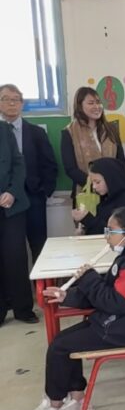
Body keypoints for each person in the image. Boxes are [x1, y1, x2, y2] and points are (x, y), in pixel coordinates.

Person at [19, 206, 125, 410]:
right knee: (62, 342)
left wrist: (89, 279)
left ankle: (54, 403)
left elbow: (115, 302)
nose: (107, 236)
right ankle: (76, 400)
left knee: (60, 347)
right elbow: (107, 292)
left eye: (111, 231)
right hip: (121, 322)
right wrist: (67, 296)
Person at [0, 84, 58, 262]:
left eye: (15, 99)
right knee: (11, 250)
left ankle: (40, 281)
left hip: (33, 197)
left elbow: (49, 165)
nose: (11, 103)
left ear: (22, 104)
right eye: (6, 99)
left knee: (39, 246)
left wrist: (44, 192)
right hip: (5, 200)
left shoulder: (36, 132)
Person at [61, 87, 125, 205]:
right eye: (91, 103)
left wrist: (109, 183)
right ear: (79, 106)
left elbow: (120, 162)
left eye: (98, 102)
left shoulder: (111, 129)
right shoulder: (69, 132)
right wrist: (96, 185)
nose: (97, 106)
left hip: (113, 192)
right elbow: (71, 169)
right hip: (85, 194)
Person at [0, 121, 36, 325]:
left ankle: (23, 309)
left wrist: (12, 192)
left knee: (16, 256)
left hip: (11, 205)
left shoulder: (4, 130)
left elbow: (18, 164)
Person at [71, 158, 125, 236]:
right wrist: (84, 231)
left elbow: (116, 234)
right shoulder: (105, 200)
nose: (94, 187)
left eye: (98, 182)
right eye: (92, 182)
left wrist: (87, 219)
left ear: (111, 179)